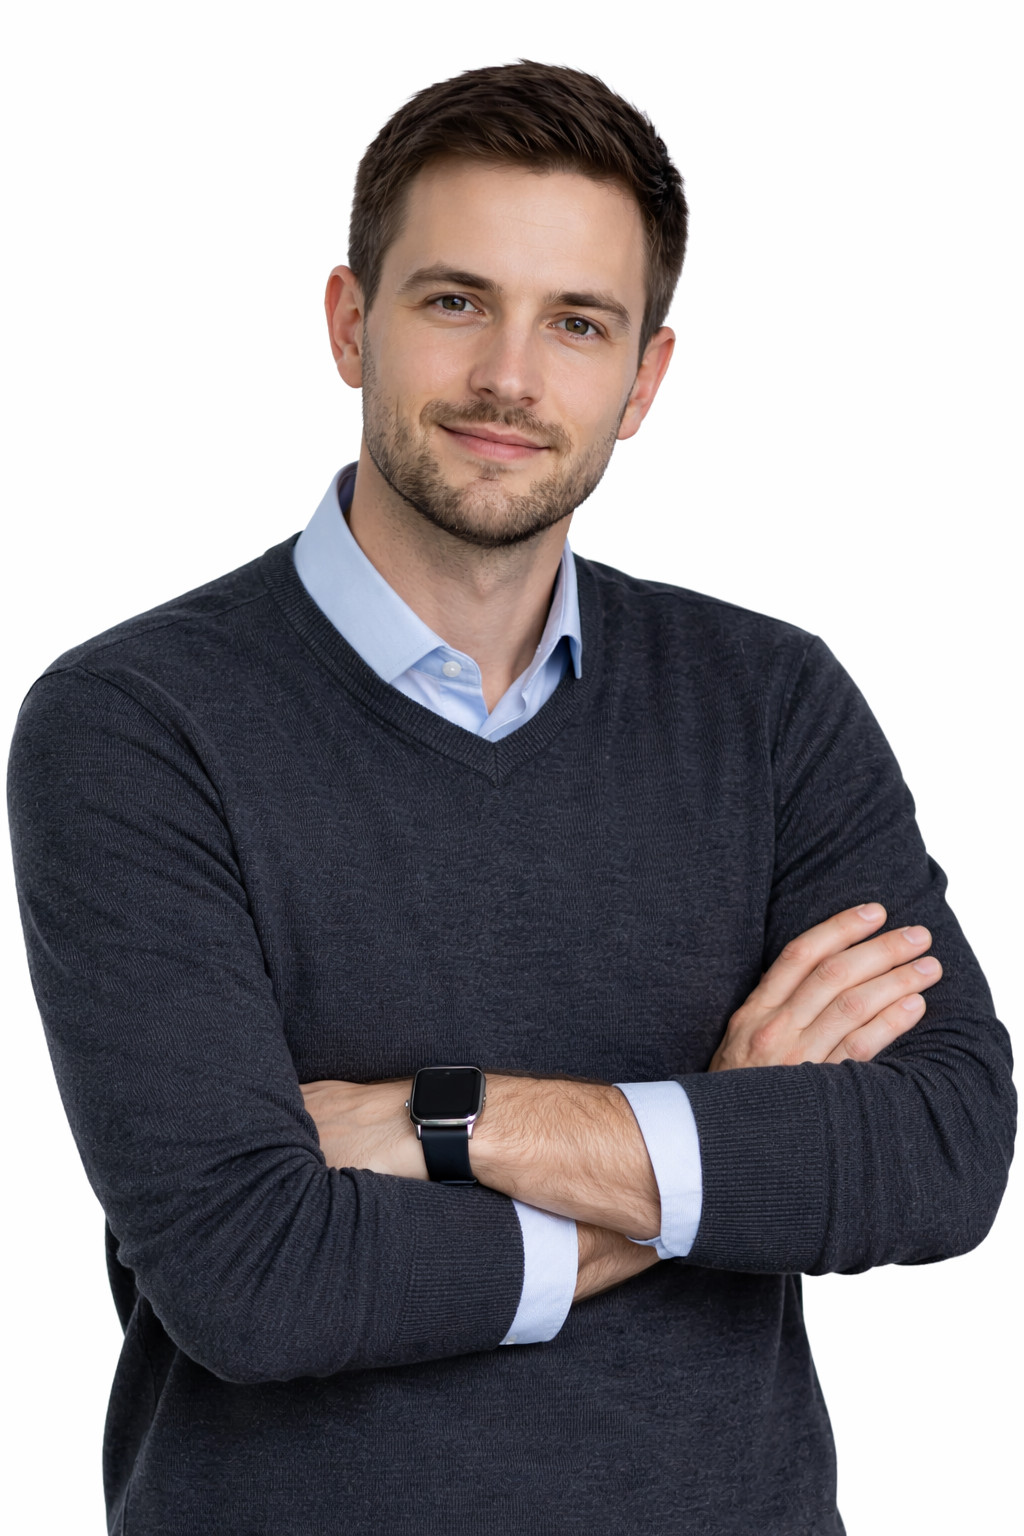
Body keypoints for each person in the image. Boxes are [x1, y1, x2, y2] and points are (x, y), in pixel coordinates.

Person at [7, 60, 1014, 1536]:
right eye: (456, 301)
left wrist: (443, 1122)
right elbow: (257, 1276)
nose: (510, 380)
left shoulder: (771, 704)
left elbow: (941, 1153)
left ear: (644, 379)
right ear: (352, 325)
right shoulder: (139, 724)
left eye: (579, 323)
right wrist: (717, 1150)